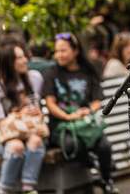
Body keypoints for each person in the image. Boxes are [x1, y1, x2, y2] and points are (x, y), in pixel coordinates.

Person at [42, 32, 118, 194]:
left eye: (63, 50)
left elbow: (97, 100)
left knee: (104, 146)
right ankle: (93, 166)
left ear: (75, 51)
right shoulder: (51, 73)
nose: (59, 55)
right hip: (62, 125)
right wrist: (68, 116)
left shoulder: (88, 71)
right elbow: (50, 103)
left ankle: (106, 180)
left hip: (86, 123)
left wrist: (87, 111)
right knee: (72, 145)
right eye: (57, 51)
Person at [0, 45, 46, 194]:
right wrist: (19, 115)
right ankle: (4, 190)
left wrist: (35, 112)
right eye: (20, 57)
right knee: (16, 147)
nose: (25, 60)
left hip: (31, 131)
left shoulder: (34, 78)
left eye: (24, 56)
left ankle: (29, 189)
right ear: (9, 62)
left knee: (35, 141)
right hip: (6, 136)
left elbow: (38, 110)